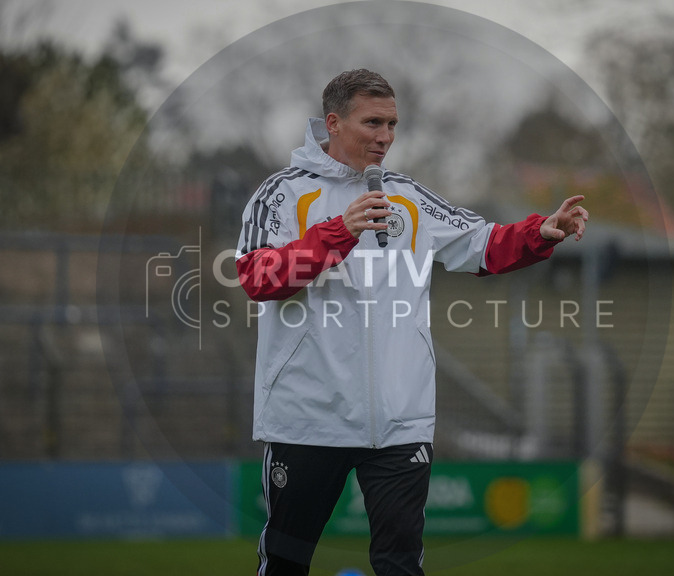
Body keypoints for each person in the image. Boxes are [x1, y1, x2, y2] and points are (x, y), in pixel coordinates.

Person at [235, 68, 588, 576]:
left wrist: (542, 232)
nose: (385, 137)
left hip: (401, 422)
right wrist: (338, 233)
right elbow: (257, 277)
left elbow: (481, 244)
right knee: (287, 563)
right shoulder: (282, 194)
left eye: (393, 125)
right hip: (308, 417)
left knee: (401, 566)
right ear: (333, 123)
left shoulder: (409, 196)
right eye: (372, 123)